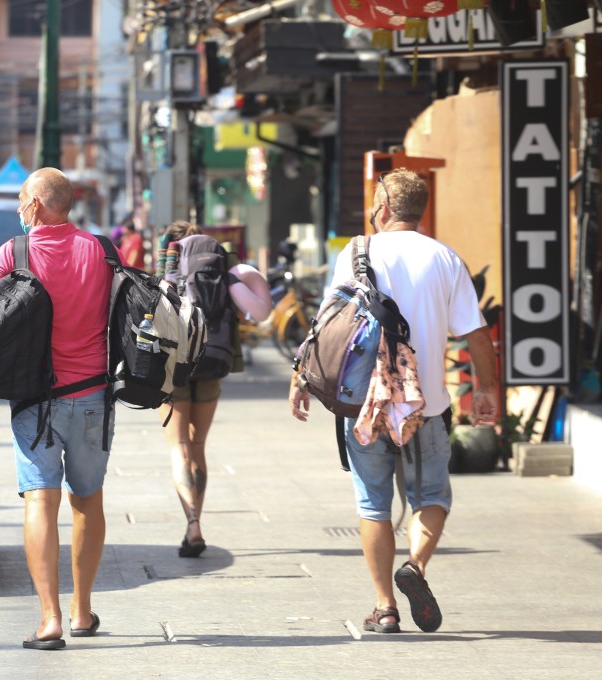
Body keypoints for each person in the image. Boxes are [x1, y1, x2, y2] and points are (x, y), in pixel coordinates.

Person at [289, 169, 499, 634]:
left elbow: (327, 324)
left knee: (373, 505)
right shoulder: (445, 258)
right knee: (431, 497)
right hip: (427, 406)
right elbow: (476, 333)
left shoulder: (357, 252)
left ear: (382, 209)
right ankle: (415, 566)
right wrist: (488, 389)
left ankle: (385, 607)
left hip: (367, 405)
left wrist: (301, 376)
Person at [0, 167, 114, 651]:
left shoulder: (15, 252)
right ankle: (82, 610)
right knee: (87, 500)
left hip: (35, 400)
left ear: (37, 205)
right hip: (93, 398)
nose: (18, 208)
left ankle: (50, 620)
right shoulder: (103, 251)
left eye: (22, 199)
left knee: (40, 502)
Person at [156, 220, 245, 558]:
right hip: (212, 360)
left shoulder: (168, 270)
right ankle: (196, 521)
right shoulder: (215, 268)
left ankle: (192, 522)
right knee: (198, 445)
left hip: (173, 367)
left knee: (179, 445)